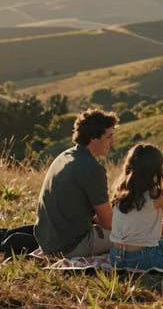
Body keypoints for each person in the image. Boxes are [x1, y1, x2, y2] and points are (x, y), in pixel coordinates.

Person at [34, 108, 119, 258]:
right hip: (71, 246)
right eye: (109, 136)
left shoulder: (65, 156)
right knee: (135, 235)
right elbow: (107, 222)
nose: (113, 141)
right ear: (93, 137)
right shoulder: (92, 169)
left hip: (47, 241)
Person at [110, 143, 163, 270]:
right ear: (156, 170)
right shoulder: (156, 195)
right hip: (143, 258)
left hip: (115, 258)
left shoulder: (120, 192)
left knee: (159, 239)